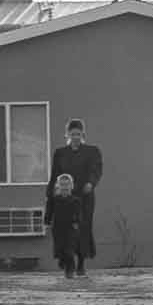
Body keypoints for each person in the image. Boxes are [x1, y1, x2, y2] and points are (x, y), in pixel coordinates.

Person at [50, 119, 103, 277]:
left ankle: (80, 264)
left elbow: (97, 170)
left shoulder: (92, 151)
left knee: (82, 229)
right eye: (72, 134)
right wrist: (51, 193)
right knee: (64, 232)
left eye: (78, 134)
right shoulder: (60, 153)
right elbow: (54, 175)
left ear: (83, 135)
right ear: (67, 135)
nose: (75, 137)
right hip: (65, 197)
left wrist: (91, 183)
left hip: (84, 197)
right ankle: (67, 264)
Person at [43, 172, 84, 280]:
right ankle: (63, 262)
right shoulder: (54, 199)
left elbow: (79, 213)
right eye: (62, 185)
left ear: (71, 186)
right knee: (60, 250)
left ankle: (70, 270)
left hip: (71, 228)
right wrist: (46, 223)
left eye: (67, 185)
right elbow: (49, 212)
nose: (64, 187)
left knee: (69, 250)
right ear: (58, 186)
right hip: (57, 228)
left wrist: (77, 222)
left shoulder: (76, 200)